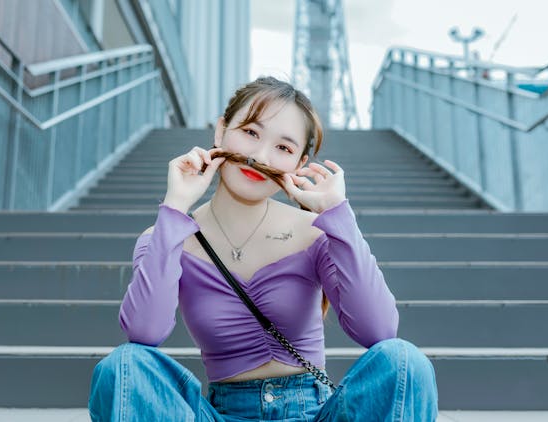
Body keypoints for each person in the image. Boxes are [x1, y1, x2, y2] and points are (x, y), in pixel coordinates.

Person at [88, 76, 438, 421]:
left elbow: (378, 330)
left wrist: (338, 217)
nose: (259, 156)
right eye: (251, 133)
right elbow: (144, 332)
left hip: (314, 413)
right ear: (221, 130)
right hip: (222, 414)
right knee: (124, 366)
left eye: (283, 148)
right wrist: (175, 209)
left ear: (299, 165)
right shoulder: (166, 235)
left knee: (402, 360)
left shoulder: (317, 233)